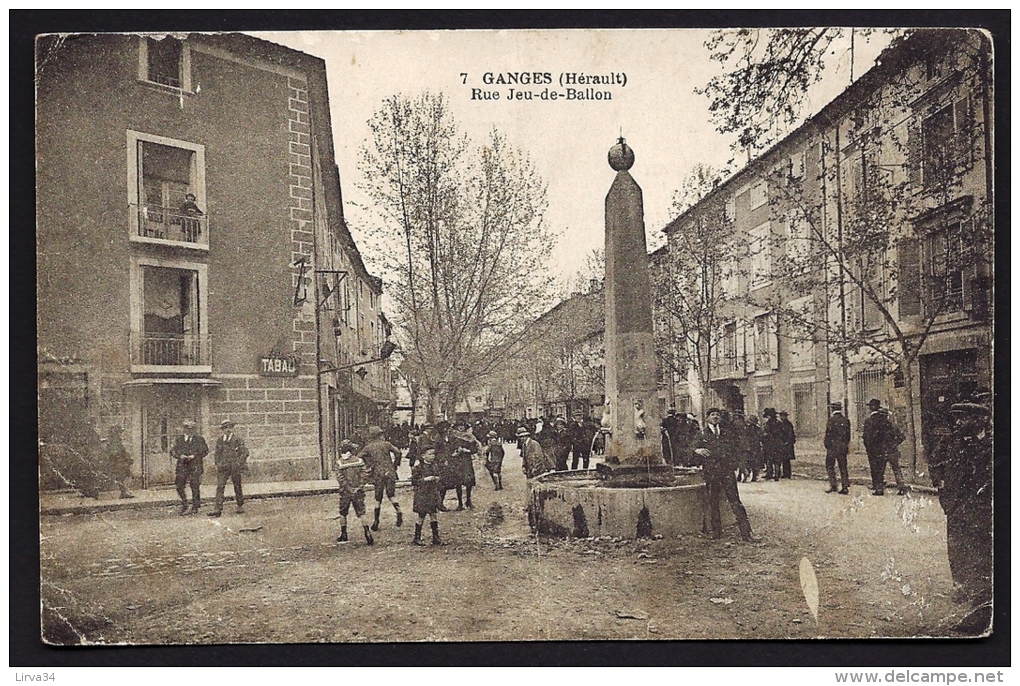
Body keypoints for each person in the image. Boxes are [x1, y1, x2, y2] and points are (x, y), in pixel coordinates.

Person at [928, 401, 992, 632]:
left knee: (983, 551)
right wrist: (942, 488)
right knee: (958, 548)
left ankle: (983, 597)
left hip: (984, 509)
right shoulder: (951, 440)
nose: (959, 423)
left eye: (964, 418)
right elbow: (935, 462)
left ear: (980, 420)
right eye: (958, 418)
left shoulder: (994, 442)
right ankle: (962, 586)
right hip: (957, 507)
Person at [692, 408, 755, 542]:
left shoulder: (727, 433)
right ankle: (717, 532)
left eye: (717, 415)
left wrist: (737, 465)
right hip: (711, 472)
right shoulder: (701, 434)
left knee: (735, 501)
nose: (715, 417)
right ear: (707, 418)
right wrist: (697, 450)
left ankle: (746, 532)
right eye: (712, 415)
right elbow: (689, 450)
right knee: (713, 502)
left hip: (727, 472)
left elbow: (736, 449)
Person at [357, 425, 404, 531]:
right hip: (390, 472)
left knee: (378, 498)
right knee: (391, 494)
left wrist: (367, 465)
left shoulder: (368, 447)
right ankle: (398, 511)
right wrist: (395, 464)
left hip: (378, 474)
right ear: (380, 435)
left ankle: (376, 521)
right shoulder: (386, 444)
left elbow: (359, 457)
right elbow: (398, 452)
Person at [862, 399, 907, 496]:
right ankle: (902, 487)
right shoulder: (892, 425)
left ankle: (879, 489)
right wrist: (895, 444)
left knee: (880, 470)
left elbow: (873, 438)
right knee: (896, 469)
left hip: (882, 450)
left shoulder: (877, 425)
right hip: (892, 450)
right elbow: (902, 437)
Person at [333, 440, 373, 545]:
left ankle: (344, 534)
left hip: (345, 492)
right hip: (358, 491)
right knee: (361, 512)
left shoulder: (339, 462)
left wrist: (348, 488)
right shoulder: (359, 461)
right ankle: (367, 533)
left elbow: (340, 479)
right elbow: (365, 474)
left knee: (343, 513)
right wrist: (360, 486)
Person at [411, 432, 445, 546]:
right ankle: (417, 537)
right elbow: (414, 482)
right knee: (421, 516)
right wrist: (426, 479)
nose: (433, 456)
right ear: (423, 456)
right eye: (430, 454)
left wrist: (437, 479)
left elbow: (439, 477)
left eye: (433, 454)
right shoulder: (418, 467)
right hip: (422, 494)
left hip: (432, 493)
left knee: (433, 514)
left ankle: (436, 537)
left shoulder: (435, 466)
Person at [208, 419, 249, 517]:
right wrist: (218, 463)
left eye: (230, 427)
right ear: (222, 430)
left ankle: (240, 505)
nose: (228, 430)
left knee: (237, 485)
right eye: (225, 428)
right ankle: (217, 509)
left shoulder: (238, 439)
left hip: (235, 467)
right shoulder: (220, 440)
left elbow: (245, 452)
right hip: (223, 467)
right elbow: (217, 453)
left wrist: (238, 462)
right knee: (220, 486)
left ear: (232, 428)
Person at [170, 419, 208, 515]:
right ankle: (184, 504)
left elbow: (205, 451)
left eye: (191, 429)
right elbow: (173, 451)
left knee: (194, 486)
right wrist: (180, 456)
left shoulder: (199, 439)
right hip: (182, 466)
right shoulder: (179, 439)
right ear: (184, 430)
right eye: (187, 429)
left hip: (195, 465)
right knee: (179, 486)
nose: (189, 431)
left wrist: (194, 456)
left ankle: (195, 506)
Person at [440, 420, 480, 510]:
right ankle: (460, 503)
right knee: (458, 483)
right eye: (459, 426)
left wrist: (467, 450)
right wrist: (455, 452)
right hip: (456, 461)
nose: (460, 427)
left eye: (462, 426)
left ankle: (468, 501)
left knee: (468, 482)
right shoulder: (453, 437)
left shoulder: (470, 437)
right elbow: (449, 449)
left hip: (466, 461)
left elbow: (474, 449)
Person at [823, 406, 852, 494]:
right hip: (842, 447)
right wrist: (845, 445)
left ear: (832, 410)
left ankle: (833, 485)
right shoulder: (846, 420)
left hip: (832, 447)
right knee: (843, 467)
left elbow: (828, 434)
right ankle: (845, 486)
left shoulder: (831, 420)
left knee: (829, 465)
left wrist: (827, 444)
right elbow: (848, 435)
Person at [102, 425, 134, 499]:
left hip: (119, 462)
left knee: (122, 477)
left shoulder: (116, 440)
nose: (120, 434)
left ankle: (123, 491)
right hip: (117, 463)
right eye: (119, 432)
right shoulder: (114, 441)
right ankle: (123, 492)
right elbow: (115, 452)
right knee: (121, 476)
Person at [761, 408, 784, 482]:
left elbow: (765, 434)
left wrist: (764, 437)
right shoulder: (779, 423)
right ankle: (777, 474)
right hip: (778, 444)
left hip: (770, 444)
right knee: (776, 460)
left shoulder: (768, 424)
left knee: (769, 459)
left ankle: (770, 474)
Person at [742, 415, 763, 482]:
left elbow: (744, 437)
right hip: (756, 446)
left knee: (748, 461)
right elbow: (761, 436)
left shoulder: (746, 428)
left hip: (749, 446)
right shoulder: (758, 428)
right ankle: (754, 476)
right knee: (755, 462)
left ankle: (747, 472)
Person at [777, 410, 797, 479]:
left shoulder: (788, 424)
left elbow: (790, 434)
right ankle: (786, 474)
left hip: (787, 444)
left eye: (783, 416)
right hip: (783, 443)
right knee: (784, 459)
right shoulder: (782, 424)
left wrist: (787, 442)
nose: (781, 417)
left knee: (786, 459)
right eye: (781, 416)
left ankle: (787, 474)